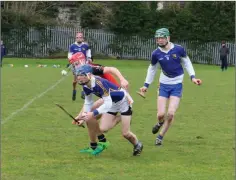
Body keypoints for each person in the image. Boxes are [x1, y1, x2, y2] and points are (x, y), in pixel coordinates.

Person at [139, 28, 202, 146]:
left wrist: (193, 77)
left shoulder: (179, 49)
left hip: (177, 85)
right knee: (161, 114)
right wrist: (146, 85)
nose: (160, 40)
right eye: (158, 38)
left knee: (171, 113)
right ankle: (159, 123)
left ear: (168, 38)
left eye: (162, 38)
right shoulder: (156, 53)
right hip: (163, 85)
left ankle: (160, 136)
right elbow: (152, 69)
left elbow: (187, 62)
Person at [74, 64, 143, 156]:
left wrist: (93, 113)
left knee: (126, 134)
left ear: (89, 75)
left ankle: (137, 144)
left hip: (123, 102)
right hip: (111, 102)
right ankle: (122, 117)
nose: (79, 78)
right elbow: (88, 102)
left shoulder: (99, 83)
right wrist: (82, 117)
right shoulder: (86, 85)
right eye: (78, 75)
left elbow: (107, 103)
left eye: (82, 75)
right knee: (102, 128)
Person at [68, 32, 92, 101]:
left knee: (84, 78)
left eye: (80, 37)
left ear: (83, 38)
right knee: (75, 81)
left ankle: (83, 92)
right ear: (76, 38)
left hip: (84, 65)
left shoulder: (86, 46)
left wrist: (89, 59)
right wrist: (73, 61)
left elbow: (88, 54)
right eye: (77, 37)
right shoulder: (72, 46)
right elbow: (69, 56)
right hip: (75, 66)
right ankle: (74, 90)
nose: (79, 38)